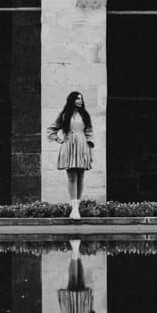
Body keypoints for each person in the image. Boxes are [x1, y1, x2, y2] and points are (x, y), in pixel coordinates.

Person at [48, 91, 94, 219]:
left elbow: (90, 132)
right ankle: (74, 208)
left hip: (82, 146)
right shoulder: (64, 115)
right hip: (69, 145)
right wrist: (58, 140)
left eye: (81, 99)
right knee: (72, 176)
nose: (80, 101)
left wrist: (90, 150)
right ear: (72, 100)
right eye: (78, 98)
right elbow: (51, 129)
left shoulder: (85, 115)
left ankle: (77, 206)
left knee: (81, 176)